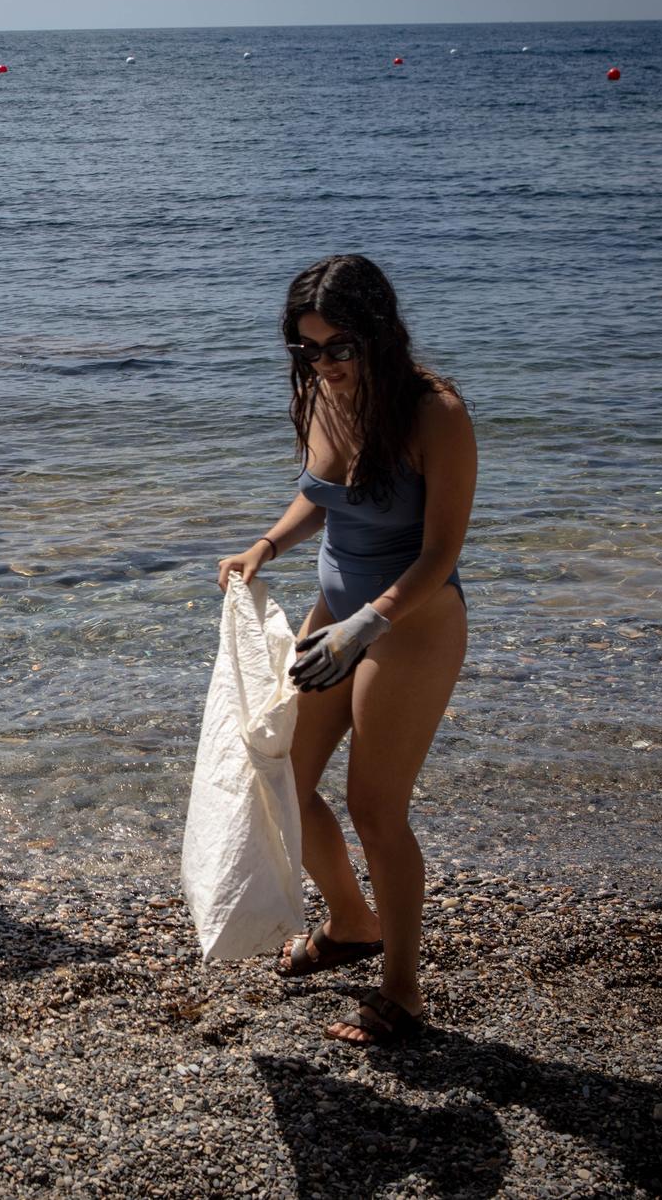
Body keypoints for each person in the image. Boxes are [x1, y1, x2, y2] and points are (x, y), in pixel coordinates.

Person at [217, 254, 476, 1045]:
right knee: (283, 778)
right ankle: (352, 921)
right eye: (307, 350)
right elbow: (320, 495)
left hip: (415, 621)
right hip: (335, 609)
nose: (322, 364)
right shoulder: (323, 397)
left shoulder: (436, 412)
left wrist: (369, 624)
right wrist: (263, 545)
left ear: (379, 336)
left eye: (337, 347)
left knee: (375, 808)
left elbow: (440, 553)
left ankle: (403, 988)